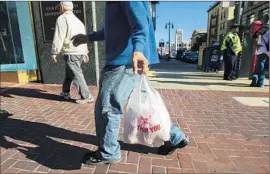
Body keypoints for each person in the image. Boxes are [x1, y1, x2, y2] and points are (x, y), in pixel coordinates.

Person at [72, 1, 189, 165]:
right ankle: (176, 137)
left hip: (125, 61)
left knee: (108, 107)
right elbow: (115, 29)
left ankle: (108, 152)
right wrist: (89, 37)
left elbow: (140, 23)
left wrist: (138, 50)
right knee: (147, 107)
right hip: (130, 60)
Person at [51, 1, 94, 104]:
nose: (59, 10)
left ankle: (87, 96)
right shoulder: (78, 21)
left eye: (59, 7)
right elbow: (83, 37)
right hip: (78, 52)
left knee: (76, 74)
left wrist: (54, 52)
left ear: (62, 7)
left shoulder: (62, 18)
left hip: (70, 52)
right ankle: (65, 92)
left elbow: (59, 36)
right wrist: (85, 52)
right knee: (69, 73)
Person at [250, 14, 269, 87]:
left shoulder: (263, 27)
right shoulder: (265, 27)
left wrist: (257, 44)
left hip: (262, 50)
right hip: (266, 50)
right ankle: (259, 81)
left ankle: (256, 77)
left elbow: (256, 35)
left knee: (261, 64)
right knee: (263, 66)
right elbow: (258, 34)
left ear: (263, 20)